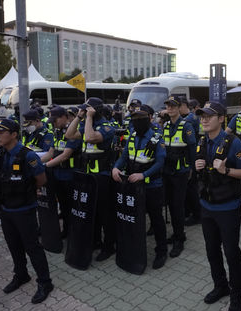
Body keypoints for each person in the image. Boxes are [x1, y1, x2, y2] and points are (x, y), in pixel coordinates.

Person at [194, 101, 241, 311]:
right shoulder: (201, 141)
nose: (204, 119)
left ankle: (237, 295)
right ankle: (221, 286)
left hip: (228, 207)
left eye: (209, 116)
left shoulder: (233, 143)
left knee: (231, 252)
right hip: (206, 206)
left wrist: (226, 169)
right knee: (211, 250)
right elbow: (202, 170)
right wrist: (197, 166)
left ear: (221, 119)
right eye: (202, 116)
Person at [0, 118, 53, 304]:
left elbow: (41, 180)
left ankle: (45, 282)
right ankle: (21, 275)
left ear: (14, 134)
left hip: (24, 209)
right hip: (6, 209)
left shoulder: (28, 156)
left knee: (32, 247)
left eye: (2, 132)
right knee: (13, 245)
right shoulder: (0, 154)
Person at [112, 108, 169, 269]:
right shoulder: (131, 137)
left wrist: (143, 175)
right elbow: (123, 158)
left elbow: (159, 163)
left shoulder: (157, 139)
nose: (135, 125)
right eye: (133, 121)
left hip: (152, 186)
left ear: (147, 121)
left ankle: (161, 251)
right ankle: (133, 247)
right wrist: (116, 168)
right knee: (133, 218)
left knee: (156, 219)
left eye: (139, 122)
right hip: (133, 187)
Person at [66, 97, 117, 261]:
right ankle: (95, 241)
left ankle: (109, 246)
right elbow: (69, 134)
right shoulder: (88, 123)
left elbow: (89, 138)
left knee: (105, 214)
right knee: (92, 212)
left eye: (87, 110)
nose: (84, 112)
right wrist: (79, 117)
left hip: (102, 177)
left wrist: (88, 118)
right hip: (88, 176)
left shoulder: (107, 127)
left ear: (95, 111)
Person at [162, 95, 197, 257]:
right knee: (170, 204)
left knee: (177, 206)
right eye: (168, 106)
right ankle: (177, 233)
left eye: (173, 106)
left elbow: (192, 149)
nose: (170, 108)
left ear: (178, 108)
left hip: (181, 172)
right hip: (167, 172)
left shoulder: (186, 126)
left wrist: (191, 169)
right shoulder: (166, 125)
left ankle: (179, 239)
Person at [43, 106, 82, 238]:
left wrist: (45, 166)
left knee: (72, 208)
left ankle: (74, 232)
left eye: (55, 120)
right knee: (64, 207)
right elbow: (51, 153)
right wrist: (36, 163)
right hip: (58, 175)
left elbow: (65, 155)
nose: (53, 123)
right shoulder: (57, 132)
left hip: (70, 177)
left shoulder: (72, 132)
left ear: (64, 117)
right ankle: (66, 231)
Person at [184, 98, 202, 226]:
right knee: (189, 188)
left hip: (193, 156)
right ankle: (189, 211)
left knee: (192, 188)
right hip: (187, 158)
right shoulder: (188, 118)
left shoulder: (190, 119)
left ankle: (196, 214)